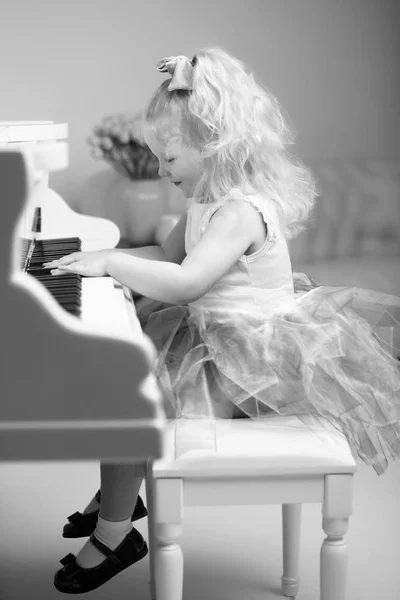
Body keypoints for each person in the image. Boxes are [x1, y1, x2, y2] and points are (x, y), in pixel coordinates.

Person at [47, 48, 400, 594]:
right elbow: (166, 257)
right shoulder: (203, 201)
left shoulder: (240, 211)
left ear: (214, 145)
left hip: (252, 358)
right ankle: (118, 497)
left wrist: (112, 264)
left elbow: (187, 282)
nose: (161, 172)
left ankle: (118, 531)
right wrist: (98, 254)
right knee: (123, 373)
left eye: (168, 159)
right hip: (211, 335)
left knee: (133, 397)